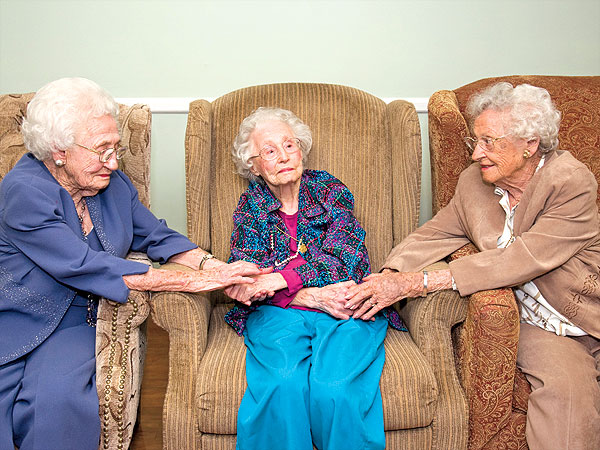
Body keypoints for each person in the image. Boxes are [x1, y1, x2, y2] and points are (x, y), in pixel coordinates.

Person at [0, 77, 267, 450]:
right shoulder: (23, 191)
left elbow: (157, 236)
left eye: (116, 147)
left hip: (79, 318)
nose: (113, 161)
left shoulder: (112, 183)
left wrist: (213, 267)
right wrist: (187, 283)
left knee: (56, 404)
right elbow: (82, 264)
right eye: (101, 150)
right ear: (58, 150)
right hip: (19, 319)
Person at [346, 82, 600, 449]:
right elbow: (435, 234)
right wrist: (391, 276)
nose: (476, 153)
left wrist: (421, 282)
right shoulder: (474, 183)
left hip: (586, 311)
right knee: (567, 393)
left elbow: (523, 258)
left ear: (530, 144)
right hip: (538, 326)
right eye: (474, 141)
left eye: (489, 141)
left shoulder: (570, 181)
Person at [224, 107, 405, 450]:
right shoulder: (250, 206)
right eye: (270, 151)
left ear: (301, 149)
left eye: (289, 145)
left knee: (335, 387)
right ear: (254, 165)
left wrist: (280, 280)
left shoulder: (329, 189)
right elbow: (247, 278)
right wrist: (307, 295)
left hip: (346, 305)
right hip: (278, 314)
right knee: (283, 383)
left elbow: (346, 256)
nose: (283, 157)